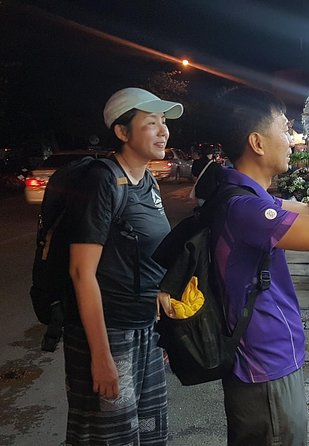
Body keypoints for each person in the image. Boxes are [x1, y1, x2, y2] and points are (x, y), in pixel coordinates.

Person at [171, 86, 309, 446]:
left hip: (267, 361)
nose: (293, 139)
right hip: (265, 366)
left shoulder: (245, 196)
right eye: (285, 128)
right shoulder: (245, 210)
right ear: (257, 142)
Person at [65, 87, 182, 445]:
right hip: (110, 333)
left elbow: (145, 256)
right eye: (151, 122)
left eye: (164, 122)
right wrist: (101, 357)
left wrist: (158, 323)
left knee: (147, 432)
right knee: (109, 437)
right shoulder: (102, 180)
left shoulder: (147, 180)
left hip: (144, 329)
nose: (163, 130)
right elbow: (81, 272)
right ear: (121, 132)